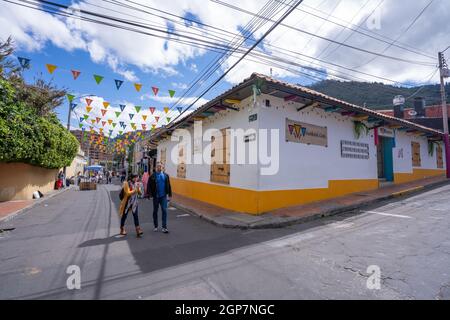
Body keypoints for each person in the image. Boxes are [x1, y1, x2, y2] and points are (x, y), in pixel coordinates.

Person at [147, 163, 172, 234]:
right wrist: (149, 195)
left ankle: (164, 227)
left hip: (163, 196)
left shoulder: (166, 175)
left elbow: (168, 185)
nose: (159, 167)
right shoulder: (152, 176)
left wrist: (170, 194)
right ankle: (156, 225)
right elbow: (149, 186)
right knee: (155, 211)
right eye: (158, 166)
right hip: (156, 197)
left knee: (164, 210)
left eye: (160, 166)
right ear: (155, 167)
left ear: (162, 167)